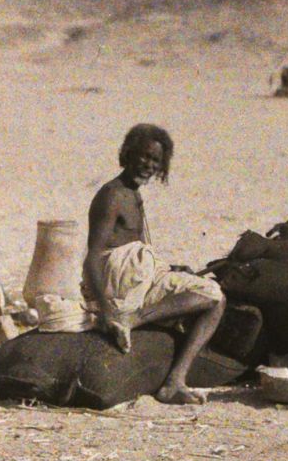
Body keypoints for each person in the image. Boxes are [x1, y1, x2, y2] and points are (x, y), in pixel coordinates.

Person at [83, 123, 225, 404]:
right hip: (120, 280)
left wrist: (167, 269)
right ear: (128, 154)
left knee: (212, 296)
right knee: (211, 297)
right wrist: (105, 309)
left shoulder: (133, 194)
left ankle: (175, 381)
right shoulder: (112, 195)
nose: (148, 165)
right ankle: (135, 320)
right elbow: (92, 256)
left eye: (155, 161)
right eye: (144, 157)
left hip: (138, 274)